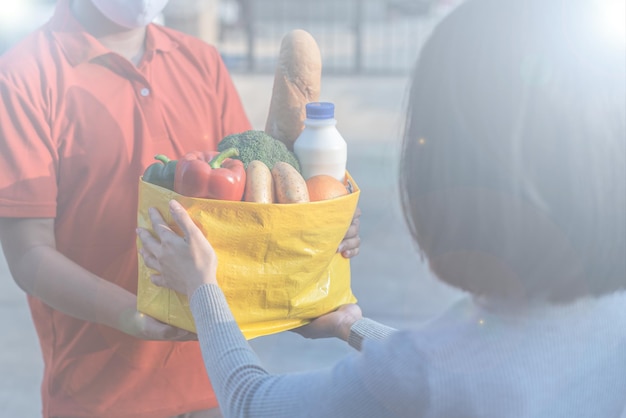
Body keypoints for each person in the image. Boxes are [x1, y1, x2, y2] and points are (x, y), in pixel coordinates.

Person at [137, 0, 626, 416]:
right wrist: (352, 326)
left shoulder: (424, 375)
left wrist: (202, 287)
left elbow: (252, 401)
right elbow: (459, 360)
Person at [0, 1, 361, 417]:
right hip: (99, 396)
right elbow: (28, 255)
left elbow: (256, 212)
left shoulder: (201, 62)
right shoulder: (23, 76)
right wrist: (129, 314)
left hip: (220, 380)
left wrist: (322, 224)